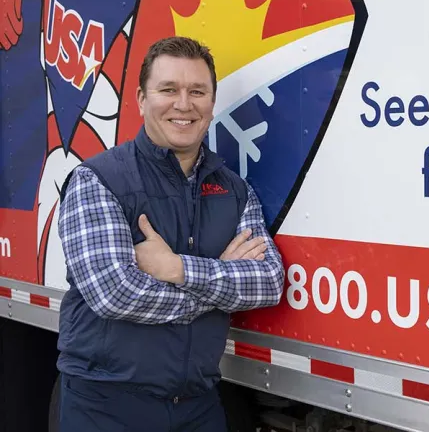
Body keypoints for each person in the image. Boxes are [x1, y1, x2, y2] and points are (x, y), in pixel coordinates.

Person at [55, 36, 285, 432]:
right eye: (168, 90)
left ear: (212, 103)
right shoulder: (97, 180)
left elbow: (268, 281)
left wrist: (178, 268)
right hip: (105, 406)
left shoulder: (234, 191)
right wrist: (218, 289)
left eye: (197, 91)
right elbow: (116, 294)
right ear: (141, 99)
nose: (183, 104)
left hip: (198, 406)